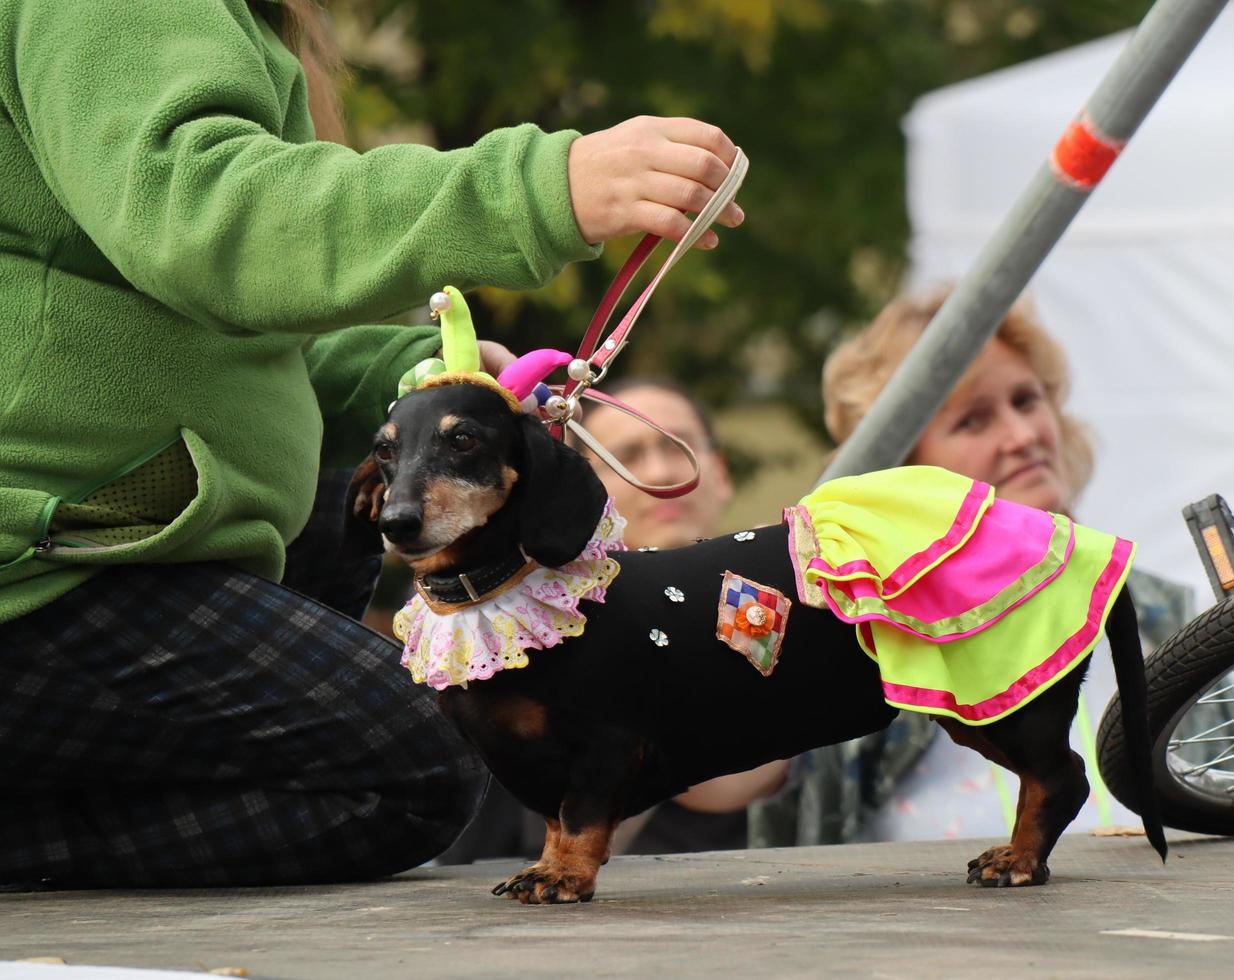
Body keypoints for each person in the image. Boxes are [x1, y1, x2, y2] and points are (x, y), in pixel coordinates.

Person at [0, 0, 742, 888]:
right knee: (420, 762)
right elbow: (199, 213)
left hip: (126, 537)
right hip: (37, 557)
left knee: (338, 506)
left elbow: (226, 332)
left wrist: (416, 373)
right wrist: (540, 188)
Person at [745, 288, 1191, 846]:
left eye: (1026, 400)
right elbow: (721, 781)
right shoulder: (866, 629)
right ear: (906, 472)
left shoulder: (1157, 611)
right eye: (974, 421)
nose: (1024, 436)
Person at [434, 377, 785, 861]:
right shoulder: (520, 627)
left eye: (677, 446)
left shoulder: (779, 593)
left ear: (721, 472)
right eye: (627, 455)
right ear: (575, 483)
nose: (661, 471)